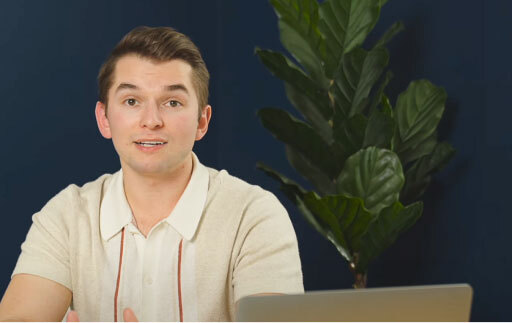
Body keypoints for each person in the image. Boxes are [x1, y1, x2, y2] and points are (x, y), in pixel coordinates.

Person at [0, 26, 303, 322]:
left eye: (172, 102)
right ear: (104, 119)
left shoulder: (254, 217)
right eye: (132, 101)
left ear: (202, 121)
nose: (152, 120)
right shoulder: (65, 217)